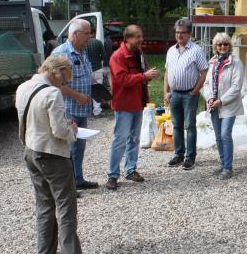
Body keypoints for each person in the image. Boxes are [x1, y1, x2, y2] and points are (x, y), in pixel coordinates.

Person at [16, 55, 96, 254]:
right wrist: (73, 130)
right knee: (66, 206)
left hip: (31, 151)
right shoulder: (52, 93)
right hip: (52, 155)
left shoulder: (23, 87)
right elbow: (59, 131)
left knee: (44, 205)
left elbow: (28, 118)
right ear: (57, 72)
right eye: (64, 80)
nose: (64, 84)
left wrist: (63, 125)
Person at [105, 25, 160, 190]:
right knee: (120, 140)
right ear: (127, 38)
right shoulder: (118, 57)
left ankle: (130, 169)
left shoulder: (139, 53)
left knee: (134, 139)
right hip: (124, 105)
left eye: (141, 36)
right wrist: (143, 76)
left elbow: (142, 75)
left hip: (138, 103)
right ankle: (112, 175)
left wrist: (148, 75)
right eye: (137, 36)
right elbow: (122, 80)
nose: (141, 39)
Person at [50, 19, 98, 190]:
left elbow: (87, 76)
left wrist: (99, 91)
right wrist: (77, 95)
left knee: (79, 147)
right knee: (68, 149)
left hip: (82, 109)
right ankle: (68, 185)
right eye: (87, 33)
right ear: (75, 35)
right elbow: (57, 84)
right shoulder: (61, 54)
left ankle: (77, 180)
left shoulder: (82, 52)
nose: (90, 37)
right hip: (69, 109)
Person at [163, 17, 208, 170]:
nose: (179, 36)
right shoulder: (171, 51)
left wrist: (195, 91)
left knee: (189, 126)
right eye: (177, 32)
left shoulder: (196, 50)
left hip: (189, 94)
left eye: (182, 33)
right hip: (174, 94)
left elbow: (204, 72)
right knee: (176, 126)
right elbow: (167, 72)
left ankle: (190, 157)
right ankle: (178, 154)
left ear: (189, 34)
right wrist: (166, 91)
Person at [202, 33, 244, 180]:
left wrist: (221, 100)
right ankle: (223, 163)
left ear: (229, 46)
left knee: (225, 134)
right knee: (218, 136)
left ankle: (228, 168)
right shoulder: (212, 62)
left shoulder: (236, 62)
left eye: (225, 44)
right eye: (219, 44)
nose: (222, 47)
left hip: (229, 105)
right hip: (214, 104)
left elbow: (236, 86)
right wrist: (210, 98)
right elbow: (207, 84)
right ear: (215, 46)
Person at [85, 29, 106, 117]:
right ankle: (97, 111)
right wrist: (98, 60)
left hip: (86, 69)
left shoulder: (83, 43)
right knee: (97, 89)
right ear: (93, 33)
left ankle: (88, 110)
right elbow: (104, 56)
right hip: (97, 68)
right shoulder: (98, 42)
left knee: (87, 90)